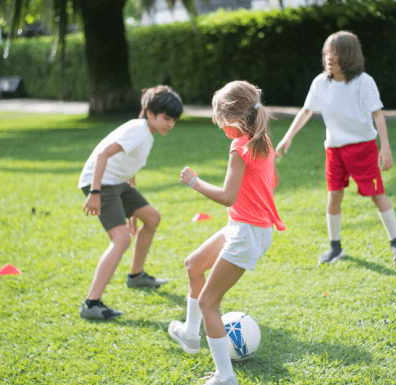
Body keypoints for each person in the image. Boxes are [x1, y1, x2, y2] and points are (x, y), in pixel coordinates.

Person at [168, 81, 285, 385]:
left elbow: (226, 197)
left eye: (219, 120)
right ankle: (191, 336)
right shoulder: (263, 141)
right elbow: (274, 180)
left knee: (209, 303)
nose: (219, 127)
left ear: (231, 119)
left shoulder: (240, 147)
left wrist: (194, 181)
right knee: (193, 265)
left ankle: (226, 377)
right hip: (244, 227)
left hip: (246, 233)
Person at [275, 30, 396, 265]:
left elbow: (378, 115)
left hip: (363, 149)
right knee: (334, 195)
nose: (329, 57)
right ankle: (335, 248)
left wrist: (385, 148)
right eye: (327, 51)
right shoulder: (320, 83)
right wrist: (288, 137)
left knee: (377, 195)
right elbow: (307, 110)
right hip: (335, 151)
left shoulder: (364, 82)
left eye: (335, 52)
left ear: (348, 55)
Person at [78, 85, 183, 320]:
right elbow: (104, 154)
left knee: (152, 217)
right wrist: (94, 192)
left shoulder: (146, 134)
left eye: (173, 120)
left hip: (117, 182)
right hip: (101, 182)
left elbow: (129, 168)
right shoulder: (138, 130)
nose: (170, 124)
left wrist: (133, 212)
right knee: (121, 239)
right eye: (166, 118)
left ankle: (136, 276)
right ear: (149, 112)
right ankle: (91, 303)